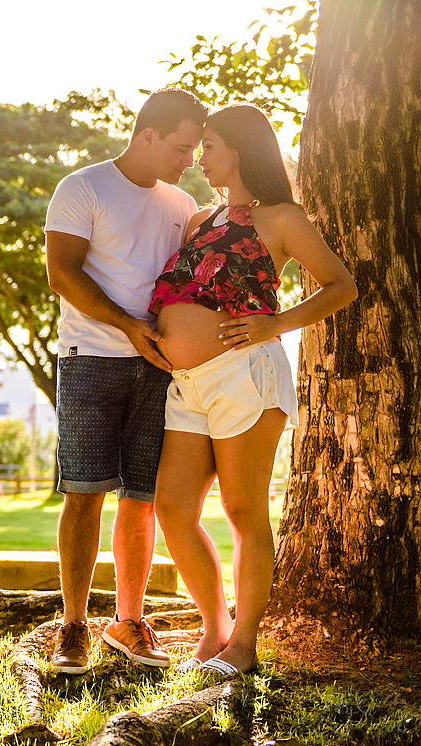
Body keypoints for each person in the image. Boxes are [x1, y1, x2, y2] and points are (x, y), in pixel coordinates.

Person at [149, 103, 357, 675]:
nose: (200, 158)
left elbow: (342, 285)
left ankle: (243, 646)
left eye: (210, 145)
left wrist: (276, 323)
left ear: (238, 149)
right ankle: (213, 629)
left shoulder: (282, 217)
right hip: (187, 382)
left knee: (243, 510)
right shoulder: (200, 221)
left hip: (246, 373)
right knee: (173, 506)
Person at [44, 87, 207, 674]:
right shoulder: (83, 187)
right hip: (91, 358)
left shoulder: (181, 205)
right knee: (84, 493)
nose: (190, 159)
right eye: (183, 147)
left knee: (142, 500)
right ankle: (73, 627)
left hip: (160, 367)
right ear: (148, 136)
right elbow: (62, 273)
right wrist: (128, 326)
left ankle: (129, 622)